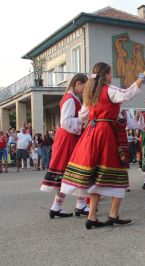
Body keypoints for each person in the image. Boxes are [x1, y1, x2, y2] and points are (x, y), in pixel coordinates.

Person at [60, 63, 145, 229]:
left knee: (97, 177)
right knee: (117, 174)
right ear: (107, 75)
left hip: (91, 133)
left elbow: (82, 115)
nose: (111, 76)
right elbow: (128, 93)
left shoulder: (90, 93)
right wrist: (143, 75)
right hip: (106, 133)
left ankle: (92, 216)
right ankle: (112, 215)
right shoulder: (109, 89)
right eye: (110, 73)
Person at [40, 74, 89, 219]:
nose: (84, 91)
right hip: (68, 139)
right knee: (73, 171)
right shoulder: (70, 99)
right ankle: (77, 204)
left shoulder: (71, 98)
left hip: (68, 138)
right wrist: (82, 119)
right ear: (78, 83)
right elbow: (66, 122)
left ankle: (59, 206)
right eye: (84, 87)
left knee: (69, 173)